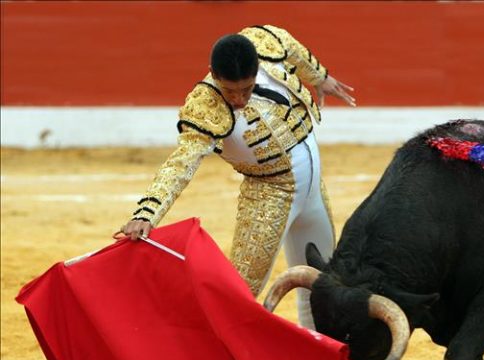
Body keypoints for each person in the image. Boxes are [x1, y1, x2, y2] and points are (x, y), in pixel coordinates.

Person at [117, 25, 355, 328]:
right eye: (231, 91)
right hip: (269, 195)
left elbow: (291, 47)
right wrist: (146, 212)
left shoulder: (264, 44)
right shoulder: (206, 107)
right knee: (238, 295)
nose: (240, 99)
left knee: (320, 284)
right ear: (214, 75)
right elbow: (180, 164)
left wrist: (321, 78)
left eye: (246, 89)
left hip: (313, 189)